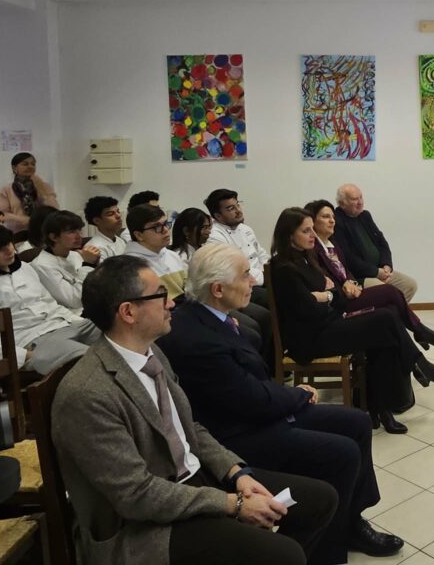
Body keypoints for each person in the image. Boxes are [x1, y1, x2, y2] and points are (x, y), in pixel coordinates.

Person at [52, 255, 337, 565]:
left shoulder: (151, 352)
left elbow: (190, 427)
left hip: (192, 479)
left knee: (319, 500)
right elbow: (136, 495)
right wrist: (233, 504)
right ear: (128, 312)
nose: (171, 304)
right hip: (142, 524)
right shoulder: (87, 394)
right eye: (160, 295)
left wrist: (236, 473)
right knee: (284, 554)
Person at [157, 243, 404, 562]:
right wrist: (298, 394)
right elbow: (252, 399)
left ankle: (350, 521)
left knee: (356, 422)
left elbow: (251, 386)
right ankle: (326, 550)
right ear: (218, 289)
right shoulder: (197, 338)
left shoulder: (211, 316)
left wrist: (291, 395)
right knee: (342, 452)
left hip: (252, 412)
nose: (253, 281)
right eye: (245, 275)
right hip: (238, 433)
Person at [268, 207, 434, 435]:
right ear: (289, 235)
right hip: (311, 338)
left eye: (311, 229)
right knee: (385, 320)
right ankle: (417, 367)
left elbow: (333, 296)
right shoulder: (284, 268)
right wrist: (328, 296)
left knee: (385, 328)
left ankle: (382, 408)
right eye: (305, 231)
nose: (312, 235)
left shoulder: (307, 258)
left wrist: (326, 295)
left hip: (328, 323)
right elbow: (309, 309)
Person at [305, 199, 434, 351]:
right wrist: (363, 278)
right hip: (344, 297)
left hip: (358, 285)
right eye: (326, 217)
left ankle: (415, 356)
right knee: (388, 292)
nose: (332, 221)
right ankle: (419, 331)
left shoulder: (336, 240)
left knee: (397, 301)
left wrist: (383, 267)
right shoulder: (314, 248)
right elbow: (343, 269)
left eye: (332, 217)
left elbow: (378, 245)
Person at [125, 204, 264, 351]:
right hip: (173, 319)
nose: (165, 230)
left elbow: (192, 290)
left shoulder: (170, 255)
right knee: (249, 334)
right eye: (157, 227)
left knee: (252, 330)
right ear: (138, 235)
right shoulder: (133, 266)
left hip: (195, 308)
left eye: (166, 224)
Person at [0, 223, 100, 374]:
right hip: (32, 339)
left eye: (8, 244)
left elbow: (49, 303)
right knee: (91, 359)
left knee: (117, 332)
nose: (9, 250)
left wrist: (79, 321)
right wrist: (26, 356)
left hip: (63, 323)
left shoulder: (24, 267)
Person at [333, 184, 418, 302]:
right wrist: (376, 272)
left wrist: (386, 265)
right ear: (342, 203)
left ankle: (396, 312)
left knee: (410, 285)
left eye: (361, 197)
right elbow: (348, 258)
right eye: (354, 199)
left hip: (380, 270)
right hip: (359, 276)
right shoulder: (336, 221)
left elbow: (382, 243)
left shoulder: (365, 216)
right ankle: (390, 312)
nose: (360, 202)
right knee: (386, 291)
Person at [204, 189, 270, 307]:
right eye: (231, 208)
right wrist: (267, 276)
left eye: (238, 205)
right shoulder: (214, 237)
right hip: (242, 286)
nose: (238, 211)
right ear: (218, 216)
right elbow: (235, 270)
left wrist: (271, 271)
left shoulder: (245, 229)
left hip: (263, 279)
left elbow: (261, 255)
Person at [31, 210, 100, 310]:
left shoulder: (75, 255)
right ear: (54, 237)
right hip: (71, 313)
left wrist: (94, 263)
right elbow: (75, 301)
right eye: (71, 232)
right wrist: (87, 264)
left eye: (79, 230)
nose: (79, 236)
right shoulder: (42, 265)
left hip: (93, 304)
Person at [0, 152, 60, 233]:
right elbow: (3, 215)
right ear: (14, 168)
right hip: (18, 234)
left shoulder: (44, 186)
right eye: (25, 164)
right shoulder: (6, 190)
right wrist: (30, 221)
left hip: (43, 232)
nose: (30, 166)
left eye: (33, 164)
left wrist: (42, 190)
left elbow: (55, 210)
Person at [84, 196, 127, 261]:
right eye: (110, 214)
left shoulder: (119, 240)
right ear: (97, 221)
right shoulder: (95, 248)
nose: (118, 216)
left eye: (118, 211)